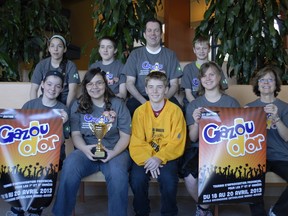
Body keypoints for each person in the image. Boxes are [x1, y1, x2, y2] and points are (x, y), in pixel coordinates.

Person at [52, 67, 131, 216]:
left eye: (99, 83)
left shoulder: (118, 104)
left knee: (117, 175)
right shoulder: (77, 105)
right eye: (90, 84)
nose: (95, 87)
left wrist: (113, 153)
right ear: (85, 87)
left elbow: (125, 136)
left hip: (115, 150)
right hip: (86, 149)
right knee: (69, 166)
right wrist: (85, 149)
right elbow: (75, 134)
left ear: (105, 84)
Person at [7, 70, 69, 216]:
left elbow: (61, 141)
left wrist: (61, 123)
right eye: (49, 84)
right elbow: (17, 135)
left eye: (57, 86)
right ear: (42, 84)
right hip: (27, 154)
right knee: (18, 168)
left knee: (43, 172)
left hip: (52, 157)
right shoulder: (29, 105)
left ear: (61, 89)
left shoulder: (63, 110)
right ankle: (17, 209)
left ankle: (36, 210)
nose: (52, 89)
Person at [182, 61, 240, 216]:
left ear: (219, 77)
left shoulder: (232, 103)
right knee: (189, 176)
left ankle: (203, 209)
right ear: (200, 80)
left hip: (226, 150)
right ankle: (204, 206)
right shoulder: (194, 105)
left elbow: (239, 135)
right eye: (204, 76)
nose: (207, 78)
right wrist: (195, 122)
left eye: (212, 74)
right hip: (200, 149)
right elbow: (193, 138)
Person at [129, 71, 186, 216]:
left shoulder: (175, 111)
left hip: (167, 155)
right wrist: (150, 159)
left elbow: (177, 142)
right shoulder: (139, 112)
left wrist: (159, 158)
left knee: (168, 180)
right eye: (151, 87)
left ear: (166, 90)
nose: (155, 91)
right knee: (137, 179)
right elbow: (137, 141)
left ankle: (169, 212)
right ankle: (141, 211)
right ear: (146, 89)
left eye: (159, 87)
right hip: (145, 157)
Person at [246, 65, 288, 216]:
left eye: (270, 79)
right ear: (257, 84)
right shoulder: (248, 108)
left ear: (276, 84)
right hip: (256, 157)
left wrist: (276, 118)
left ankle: (276, 212)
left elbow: (287, 137)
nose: (266, 82)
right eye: (262, 80)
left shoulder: (284, 108)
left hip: (280, 156)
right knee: (252, 183)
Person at [123, 18, 183, 116]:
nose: (153, 34)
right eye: (149, 30)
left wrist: (162, 101)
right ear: (144, 35)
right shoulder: (135, 55)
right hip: (141, 97)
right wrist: (144, 102)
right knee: (127, 114)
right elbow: (129, 83)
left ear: (161, 34)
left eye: (156, 30)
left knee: (179, 112)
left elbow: (174, 84)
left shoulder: (170, 55)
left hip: (164, 96)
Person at [30, 34, 80, 107]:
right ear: (49, 49)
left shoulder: (71, 66)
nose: (55, 49)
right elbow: (34, 89)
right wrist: (35, 108)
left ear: (65, 49)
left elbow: (73, 91)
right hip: (46, 102)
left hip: (65, 103)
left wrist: (66, 109)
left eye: (59, 46)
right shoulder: (41, 65)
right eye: (52, 46)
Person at [181, 35, 228, 108]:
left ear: (209, 49)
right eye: (198, 48)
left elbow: (222, 90)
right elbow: (188, 94)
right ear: (194, 50)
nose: (201, 51)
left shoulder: (216, 67)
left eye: (204, 48)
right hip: (194, 102)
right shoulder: (188, 69)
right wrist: (198, 107)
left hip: (213, 102)